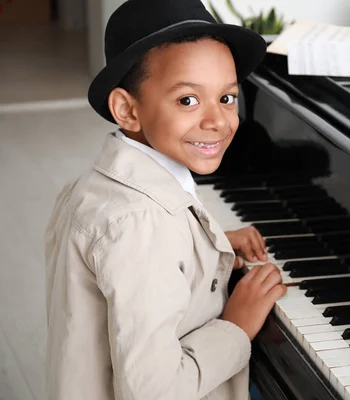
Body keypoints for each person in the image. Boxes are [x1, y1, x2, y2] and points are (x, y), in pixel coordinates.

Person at [44, 1, 287, 399]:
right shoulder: (140, 227)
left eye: (227, 98)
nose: (217, 121)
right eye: (187, 100)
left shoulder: (96, 190)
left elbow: (125, 262)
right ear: (127, 109)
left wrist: (207, 246)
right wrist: (236, 326)